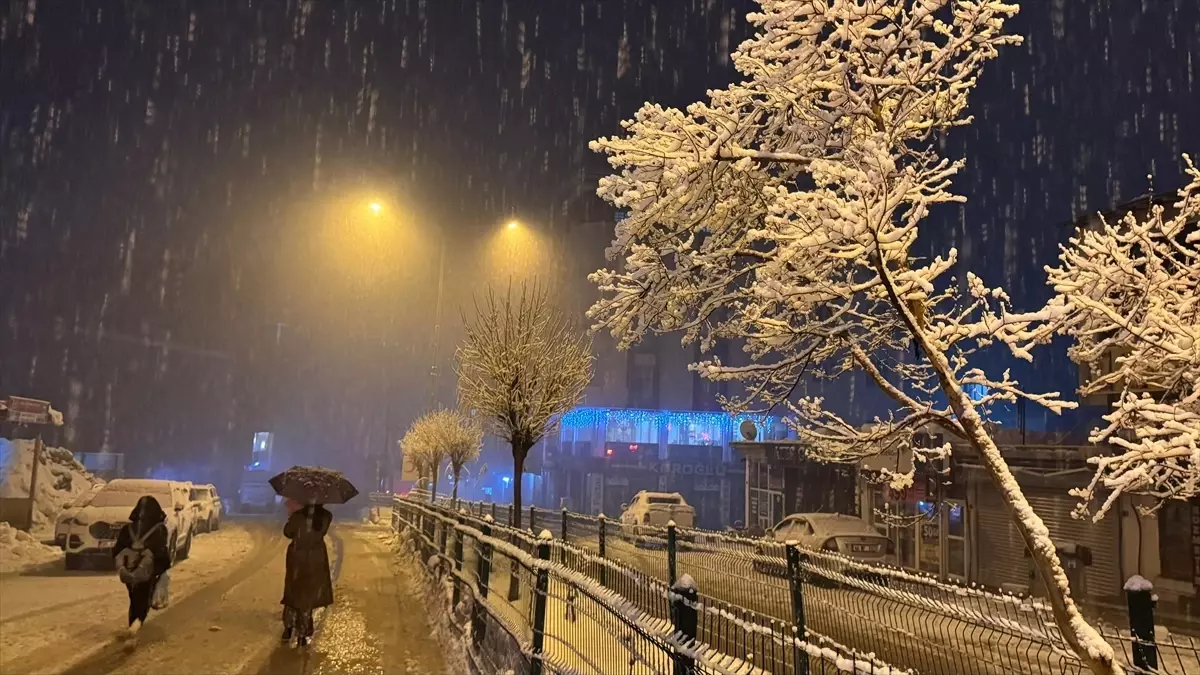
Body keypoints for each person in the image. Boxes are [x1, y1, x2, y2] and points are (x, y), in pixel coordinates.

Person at [112, 496, 172, 637]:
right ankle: (134, 628)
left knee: (134, 599)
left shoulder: (128, 529)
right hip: (147, 572)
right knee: (143, 601)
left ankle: (133, 626)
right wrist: (161, 569)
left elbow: (118, 549)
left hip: (129, 571)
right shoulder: (159, 529)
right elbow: (161, 551)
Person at [281, 500, 333, 647]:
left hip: (297, 556)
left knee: (293, 591)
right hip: (315, 558)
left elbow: (288, 532)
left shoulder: (298, 516)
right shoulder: (326, 516)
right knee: (308, 594)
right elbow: (320, 532)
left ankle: (288, 628)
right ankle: (302, 634)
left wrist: (291, 516)